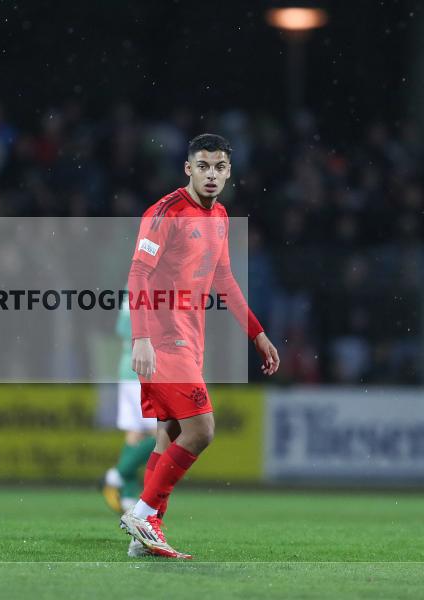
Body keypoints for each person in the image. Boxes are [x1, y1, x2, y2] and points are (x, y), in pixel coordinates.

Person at [119, 134, 280, 559]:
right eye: (203, 166)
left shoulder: (222, 216)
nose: (211, 174)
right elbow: (138, 274)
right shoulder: (165, 212)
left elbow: (223, 280)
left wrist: (257, 333)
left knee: (168, 435)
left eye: (219, 167)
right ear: (187, 169)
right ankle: (143, 514)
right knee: (202, 429)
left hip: (189, 341)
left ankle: (146, 536)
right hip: (162, 338)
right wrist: (142, 337)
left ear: (229, 172)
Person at [100, 298, 157, 556]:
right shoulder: (151, 287)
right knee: (163, 434)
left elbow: (122, 328)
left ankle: (130, 498)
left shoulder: (132, 286)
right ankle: (119, 474)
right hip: (142, 370)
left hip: (128, 368)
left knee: (135, 434)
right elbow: (134, 329)